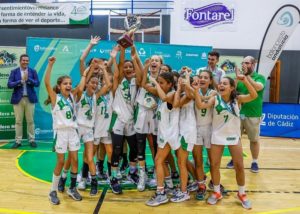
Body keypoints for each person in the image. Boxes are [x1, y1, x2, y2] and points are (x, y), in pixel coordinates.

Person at [195, 75, 257, 209]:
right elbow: (200, 106)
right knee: (214, 165)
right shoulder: (215, 98)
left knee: (239, 166)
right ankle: (217, 192)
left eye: (225, 84)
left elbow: (254, 95)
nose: (221, 85)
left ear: (232, 87)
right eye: (220, 83)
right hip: (217, 136)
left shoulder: (237, 99)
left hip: (233, 137)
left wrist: (245, 79)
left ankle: (241, 193)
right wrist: (195, 90)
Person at [45, 56, 86, 205]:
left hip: (73, 132)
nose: (68, 85)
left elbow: (82, 84)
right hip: (61, 133)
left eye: (70, 83)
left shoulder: (72, 97)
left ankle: (72, 188)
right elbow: (46, 83)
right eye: (65, 84)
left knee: (75, 160)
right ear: (60, 86)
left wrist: (86, 72)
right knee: (61, 162)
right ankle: (52, 191)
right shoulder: (55, 98)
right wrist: (50, 65)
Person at [227, 56, 266, 173]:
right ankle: (234, 158)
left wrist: (246, 77)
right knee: (235, 139)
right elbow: (231, 90)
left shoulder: (260, 77)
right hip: (237, 114)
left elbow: (258, 87)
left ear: (253, 64)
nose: (244, 65)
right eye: (243, 63)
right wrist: (238, 78)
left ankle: (254, 161)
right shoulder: (239, 78)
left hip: (253, 113)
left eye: (247, 63)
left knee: (254, 140)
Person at [7, 54, 40, 148]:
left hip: (30, 99)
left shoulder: (33, 71)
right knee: (18, 121)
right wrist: (20, 81)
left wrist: (28, 79)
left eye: (27, 60)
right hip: (18, 99)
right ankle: (18, 141)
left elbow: (37, 83)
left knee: (30, 121)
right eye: (23, 60)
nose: (25, 62)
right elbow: (9, 84)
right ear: (20, 61)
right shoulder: (14, 71)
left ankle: (32, 140)